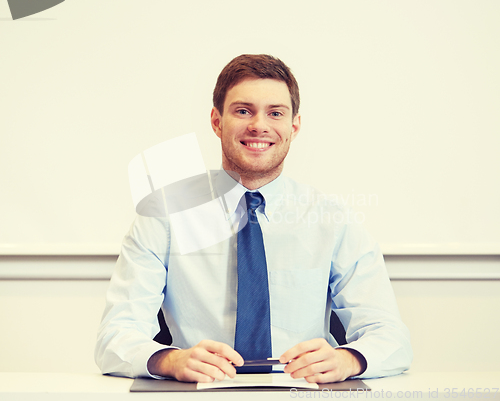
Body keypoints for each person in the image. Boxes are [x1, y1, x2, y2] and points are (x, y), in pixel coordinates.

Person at [95, 54, 412, 383]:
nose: (259, 125)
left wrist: (348, 360)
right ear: (217, 121)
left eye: (275, 113)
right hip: (202, 394)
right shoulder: (163, 214)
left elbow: (391, 338)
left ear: (294, 125)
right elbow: (115, 338)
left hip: (302, 393)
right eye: (243, 111)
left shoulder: (332, 220)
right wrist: (171, 361)